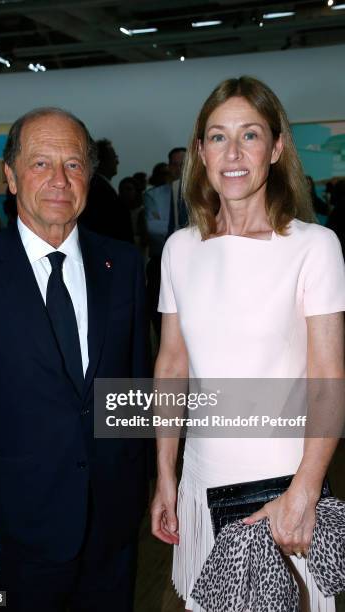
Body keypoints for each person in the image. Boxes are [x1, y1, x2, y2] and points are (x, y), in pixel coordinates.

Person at [0, 107, 150, 612]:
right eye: (40, 164)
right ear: (10, 176)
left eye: (74, 164)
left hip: (114, 519)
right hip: (19, 524)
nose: (59, 179)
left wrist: (151, 485)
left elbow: (137, 385)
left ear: (90, 177)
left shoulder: (122, 265)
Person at [150, 76, 345, 612]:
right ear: (200, 152)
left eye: (250, 135)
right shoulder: (180, 250)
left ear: (277, 148)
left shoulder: (314, 247)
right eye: (217, 137)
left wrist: (306, 489)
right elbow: (171, 365)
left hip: (283, 484)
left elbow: (328, 378)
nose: (232, 154)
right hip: (201, 479)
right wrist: (165, 473)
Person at [144, 147, 187, 340]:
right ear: (169, 167)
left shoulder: (203, 196)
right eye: (176, 164)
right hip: (160, 264)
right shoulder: (154, 195)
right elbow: (155, 229)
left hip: (192, 266)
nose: (180, 169)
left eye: (184, 164)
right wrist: (188, 232)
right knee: (162, 320)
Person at [79, 138, 133, 242]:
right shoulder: (98, 190)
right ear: (101, 161)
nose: (117, 162)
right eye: (114, 157)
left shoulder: (100, 187)